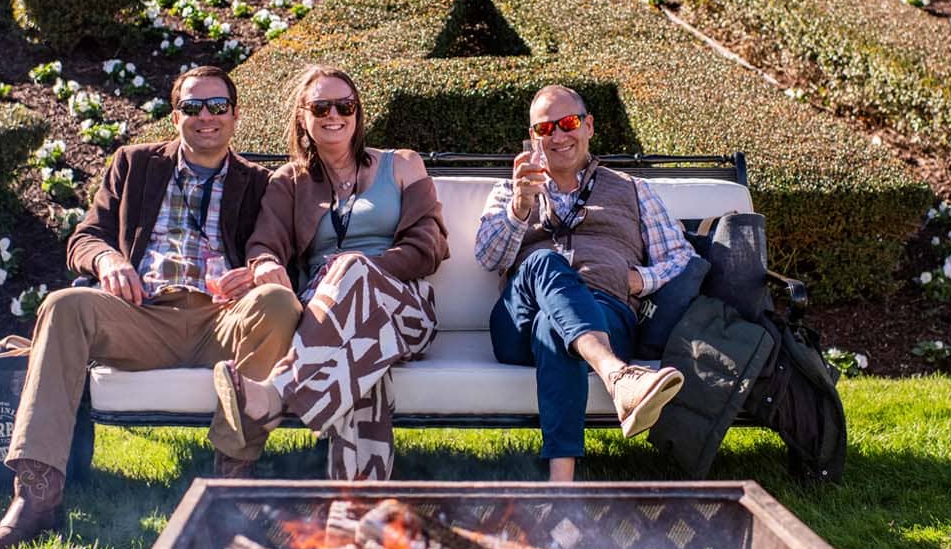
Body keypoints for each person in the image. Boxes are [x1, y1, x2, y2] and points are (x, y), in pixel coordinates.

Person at [0, 66, 301, 549]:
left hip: (221, 321)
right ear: (175, 116)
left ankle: (233, 480)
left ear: (235, 116)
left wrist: (255, 271)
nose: (205, 116)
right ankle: (36, 501)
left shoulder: (260, 182)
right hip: (141, 314)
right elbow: (86, 236)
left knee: (276, 301)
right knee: (64, 305)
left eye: (217, 106)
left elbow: (279, 247)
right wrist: (108, 260)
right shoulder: (134, 164)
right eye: (192, 107)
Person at [213, 66, 448, 480]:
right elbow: (265, 243)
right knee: (361, 364)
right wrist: (265, 264)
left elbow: (429, 246)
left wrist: (358, 269)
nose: (334, 115)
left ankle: (274, 393)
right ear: (303, 117)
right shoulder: (289, 181)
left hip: (405, 308)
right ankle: (355, 510)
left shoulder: (403, 165)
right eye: (321, 107)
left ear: (358, 114)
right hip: (331, 323)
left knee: (353, 270)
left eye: (345, 105)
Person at [476, 85, 691, 482]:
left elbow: (681, 257)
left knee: (553, 327)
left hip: (605, 314)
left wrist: (640, 279)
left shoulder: (631, 189)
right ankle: (618, 376)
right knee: (543, 261)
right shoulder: (512, 188)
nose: (557, 136)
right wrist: (519, 210)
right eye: (544, 129)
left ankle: (562, 486)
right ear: (533, 136)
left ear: (588, 126)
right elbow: (487, 258)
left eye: (568, 123)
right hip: (517, 327)